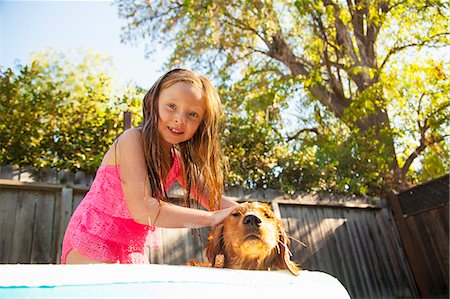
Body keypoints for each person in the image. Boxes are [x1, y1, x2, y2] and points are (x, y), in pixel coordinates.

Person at [61, 68, 238, 264]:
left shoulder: (177, 161)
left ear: (201, 124)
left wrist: (258, 216)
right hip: (91, 240)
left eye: (192, 114)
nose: (180, 119)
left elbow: (215, 199)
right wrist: (211, 218)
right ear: (154, 102)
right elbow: (144, 209)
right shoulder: (132, 140)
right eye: (171, 106)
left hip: (129, 248)